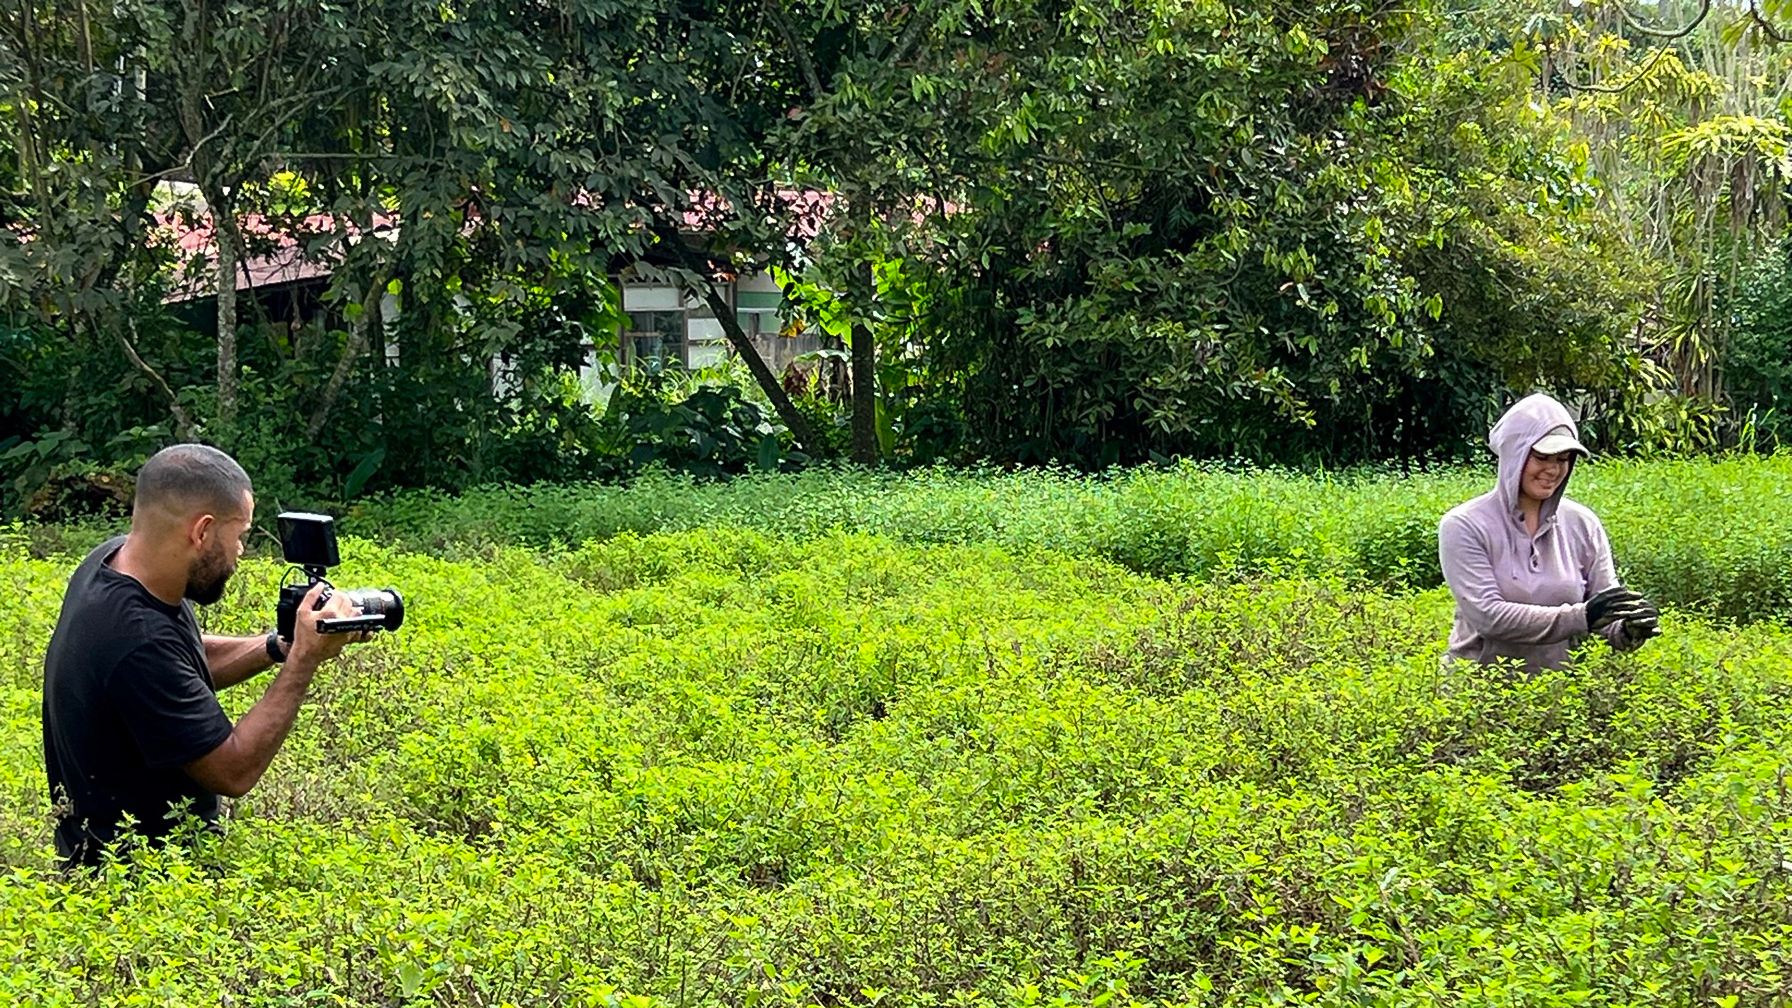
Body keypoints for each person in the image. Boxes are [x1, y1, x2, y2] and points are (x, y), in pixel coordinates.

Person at [41, 443, 365, 868]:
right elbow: (233, 771)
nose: (241, 551)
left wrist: (279, 646)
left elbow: (178, 664)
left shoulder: (114, 563)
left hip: (122, 861)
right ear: (202, 531)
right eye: (240, 534)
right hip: (139, 883)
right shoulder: (136, 639)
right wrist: (304, 659)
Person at [1438, 393, 1661, 671]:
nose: (1553, 470)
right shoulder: (1464, 525)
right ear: (1515, 455)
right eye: (1542, 457)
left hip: (1556, 699)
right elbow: (1488, 617)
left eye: (1563, 458)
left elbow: (1605, 611)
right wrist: (1582, 617)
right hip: (1476, 697)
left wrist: (1628, 627)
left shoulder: (1582, 524)